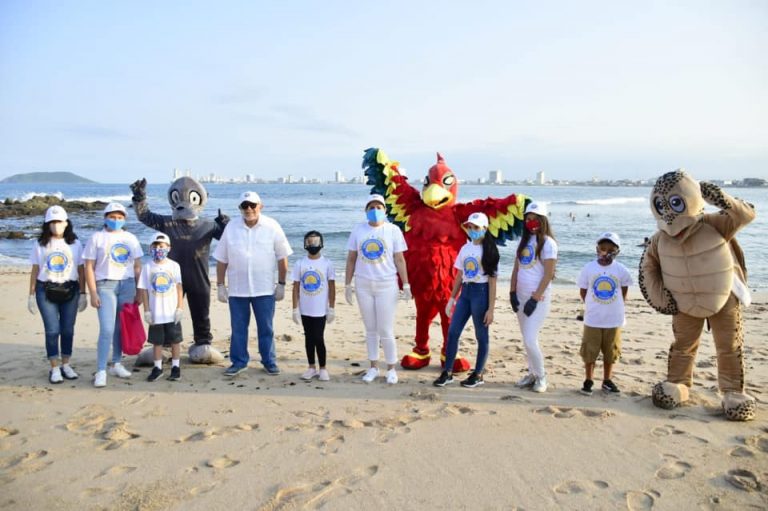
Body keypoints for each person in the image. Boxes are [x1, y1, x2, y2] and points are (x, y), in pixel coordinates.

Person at [214, 191, 292, 377]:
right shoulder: (231, 227)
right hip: (238, 289)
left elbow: (282, 257)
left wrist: (281, 284)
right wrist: (220, 285)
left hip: (264, 288)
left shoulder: (272, 226)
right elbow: (221, 259)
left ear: (260, 206)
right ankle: (239, 362)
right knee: (238, 329)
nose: (249, 209)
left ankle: (269, 361)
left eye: (252, 205)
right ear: (240, 208)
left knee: (266, 328)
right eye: (244, 206)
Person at [345, 194, 411, 385]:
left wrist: (405, 284)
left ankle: (391, 368)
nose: (375, 210)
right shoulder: (358, 230)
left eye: (379, 207)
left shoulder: (393, 230)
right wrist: (348, 284)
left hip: (387, 284)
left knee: (385, 329)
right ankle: (373, 366)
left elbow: (400, 259)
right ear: (366, 210)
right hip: (363, 284)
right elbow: (351, 258)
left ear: (385, 210)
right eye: (371, 207)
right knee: (370, 329)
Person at [434, 213, 498, 388]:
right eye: (469, 227)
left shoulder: (490, 250)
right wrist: (452, 298)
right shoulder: (465, 248)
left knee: (481, 335)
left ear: (484, 229)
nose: (472, 230)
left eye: (476, 227)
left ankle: (478, 374)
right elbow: (460, 275)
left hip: (481, 293)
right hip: (466, 293)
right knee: (453, 332)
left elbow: (493, 282)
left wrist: (491, 309)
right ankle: (447, 372)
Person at [83, 202, 143, 388]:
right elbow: (89, 267)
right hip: (105, 285)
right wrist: (92, 292)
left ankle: (116, 363)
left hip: (127, 285)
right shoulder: (97, 238)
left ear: (124, 219)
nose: (116, 220)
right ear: (105, 218)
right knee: (107, 329)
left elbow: (137, 266)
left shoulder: (130, 238)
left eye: (119, 217)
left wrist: (140, 291)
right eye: (112, 217)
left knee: (120, 327)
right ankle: (101, 369)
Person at [27, 205, 87, 383]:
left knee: (68, 329)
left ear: (66, 223)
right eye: (52, 222)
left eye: (59, 221)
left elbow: (81, 269)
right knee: (52, 330)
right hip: (45, 289)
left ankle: (66, 364)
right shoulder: (40, 244)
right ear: (47, 224)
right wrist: (30, 295)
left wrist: (84, 293)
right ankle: (54, 367)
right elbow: (35, 270)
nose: (56, 225)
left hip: (71, 290)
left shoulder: (75, 244)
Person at [509, 202, 557, 393]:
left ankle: (542, 377)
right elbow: (516, 268)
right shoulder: (524, 241)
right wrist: (512, 292)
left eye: (535, 219)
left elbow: (548, 274)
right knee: (525, 337)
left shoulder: (548, 243)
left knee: (530, 339)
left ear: (542, 220)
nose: (531, 222)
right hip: (520, 296)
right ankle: (532, 374)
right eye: (528, 219)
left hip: (537, 299)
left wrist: (535, 298)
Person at [577, 232, 632, 395]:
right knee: (589, 351)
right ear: (596, 249)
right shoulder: (589, 268)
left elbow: (624, 292)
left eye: (610, 249)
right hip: (593, 319)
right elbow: (583, 291)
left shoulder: (621, 270)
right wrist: (593, 305)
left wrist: (615, 306)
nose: (605, 252)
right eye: (602, 248)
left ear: (617, 251)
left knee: (611, 351)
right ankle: (588, 380)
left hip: (613, 319)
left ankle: (607, 380)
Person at [137, 233, 184, 382]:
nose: (158, 249)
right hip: (156, 312)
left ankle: (176, 367)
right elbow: (143, 289)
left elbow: (178, 287)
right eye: (155, 246)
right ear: (150, 248)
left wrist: (180, 307)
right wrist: (146, 310)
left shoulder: (174, 265)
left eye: (161, 246)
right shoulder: (147, 267)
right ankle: (157, 367)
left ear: (168, 248)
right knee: (157, 342)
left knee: (175, 340)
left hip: (171, 312)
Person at [291, 231, 336, 381]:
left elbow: (332, 286)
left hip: (320, 309)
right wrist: (295, 308)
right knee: (308, 337)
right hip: (305, 308)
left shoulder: (327, 263)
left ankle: (323, 368)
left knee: (318, 337)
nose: (313, 245)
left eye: (315, 241)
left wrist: (332, 308)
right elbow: (296, 287)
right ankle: (311, 367)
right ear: (305, 244)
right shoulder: (300, 263)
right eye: (310, 242)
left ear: (321, 243)